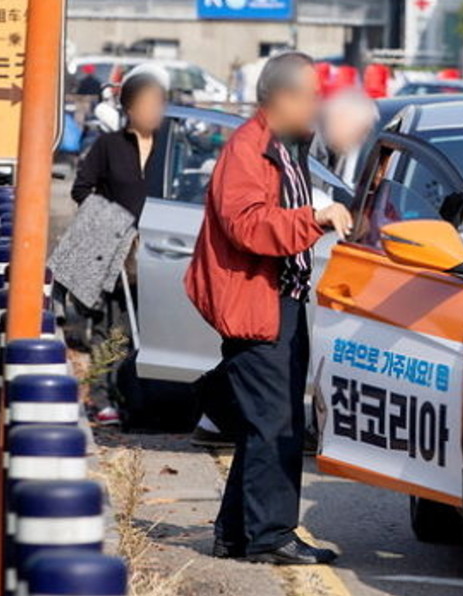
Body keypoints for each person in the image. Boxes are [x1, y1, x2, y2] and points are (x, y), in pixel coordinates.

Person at [185, 51, 352, 565]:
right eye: (310, 96)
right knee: (275, 425)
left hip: (282, 300)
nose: (317, 104)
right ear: (282, 98)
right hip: (257, 305)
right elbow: (247, 225)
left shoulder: (286, 146)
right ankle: (270, 538)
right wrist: (315, 219)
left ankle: (236, 534)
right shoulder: (248, 148)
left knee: (267, 422)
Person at [66, 72, 168, 425]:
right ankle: (103, 396)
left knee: (153, 326)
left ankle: (144, 397)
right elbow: (81, 189)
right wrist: (112, 222)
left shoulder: (170, 147)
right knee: (113, 328)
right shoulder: (108, 146)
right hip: (116, 251)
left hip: (162, 251)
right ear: (128, 109)